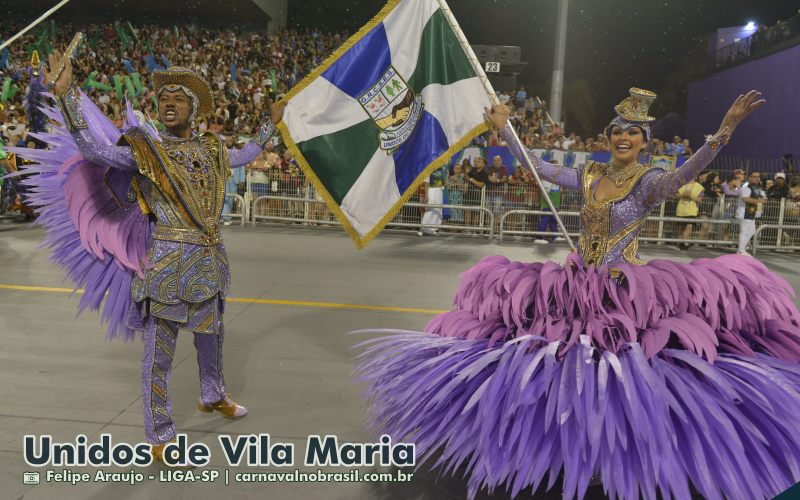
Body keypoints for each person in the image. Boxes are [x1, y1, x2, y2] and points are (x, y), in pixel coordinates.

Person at [355, 89, 800, 499]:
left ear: (645, 141)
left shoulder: (647, 181)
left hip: (626, 293)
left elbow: (686, 173)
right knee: (568, 368)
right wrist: (505, 128)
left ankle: (618, 456)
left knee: (622, 375)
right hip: (576, 287)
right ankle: (561, 447)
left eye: (633, 133)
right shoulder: (589, 174)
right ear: (608, 138)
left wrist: (724, 131)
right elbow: (539, 168)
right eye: (617, 131)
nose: (623, 138)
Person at [18, 48, 285, 465]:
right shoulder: (147, 151)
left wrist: (271, 125)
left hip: (211, 265)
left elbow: (247, 153)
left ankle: (212, 394)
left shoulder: (213, 149)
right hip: (166, 266)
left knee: (212, 338)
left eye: (178, 99)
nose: (169, 104)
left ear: (193, 108)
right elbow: (93, 150)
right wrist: (69, 97)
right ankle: (159, 432)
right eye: (163, 100)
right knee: (159, 355)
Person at [735, 171, 767, 255]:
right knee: (745, 231)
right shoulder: (746, 187)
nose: (757, 178)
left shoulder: (755, 188)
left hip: (750, 213)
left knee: (752, 231)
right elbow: (745, 199)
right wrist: (760, 201)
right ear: (749, 177)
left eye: (758, 176)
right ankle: (741, 250)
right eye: (755, 176)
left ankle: (741, 249)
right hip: (744, 213)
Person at [675, 175, 704, 249]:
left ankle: (684, 243)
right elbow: (676, 195)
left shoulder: (699, 187)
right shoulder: (681, 185)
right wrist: (683, 195)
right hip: (682, 209)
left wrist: (690, 195)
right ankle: (683, 242)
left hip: (692, 210)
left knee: (689, 226)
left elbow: (700, 199)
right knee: (683, 227)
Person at [418, 165, 447, 236]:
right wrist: (426, 196)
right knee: (430, 208)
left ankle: (433, 229)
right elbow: (426, 183)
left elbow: (445, 182)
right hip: (431, 190)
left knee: (438, 209)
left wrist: (446, 181)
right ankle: (423, 228)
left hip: (440, 190)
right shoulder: (430, 167)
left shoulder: (443, 168)